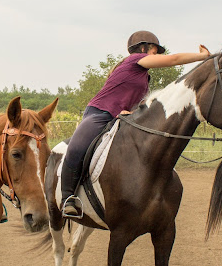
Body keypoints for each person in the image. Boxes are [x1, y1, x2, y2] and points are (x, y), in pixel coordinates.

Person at [61, 31, 211, 218]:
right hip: (100, 112)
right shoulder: (135, 60)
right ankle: (68, 198)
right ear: (142, 49)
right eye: (155, 52)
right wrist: (203, 57)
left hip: (121, 117)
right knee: (76, 147)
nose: (156, 57)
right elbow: (174, 59)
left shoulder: (144, 77)